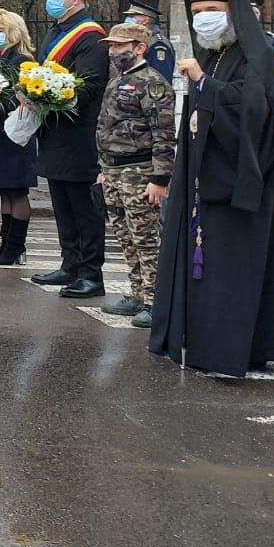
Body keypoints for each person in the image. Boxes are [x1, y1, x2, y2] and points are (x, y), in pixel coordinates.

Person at [150, 0, 274, 377]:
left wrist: (203, 83)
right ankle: (200, 342)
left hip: (242, 184)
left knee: (234, 272)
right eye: (197, 12)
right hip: (207, 178)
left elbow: (254, 110)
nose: (203, 19)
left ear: (233, 13)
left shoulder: (258, 55)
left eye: (212, 11)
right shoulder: (214, 53)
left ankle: (229, 352)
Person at [28, 0, 110, 300]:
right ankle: (70, 264)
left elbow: (89, 84)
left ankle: (91, 273)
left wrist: (47, 92)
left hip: (79, 135)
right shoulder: (56, 31)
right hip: (55, 132)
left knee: (84, 208)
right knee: (62, 203)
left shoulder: (90, 36)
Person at [94, 21, 176, 328]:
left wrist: (160, 179)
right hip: (114, 169)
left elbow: (164, 134)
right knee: (125, 236)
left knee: (146, 238)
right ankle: (137, 293)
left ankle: (156, 300)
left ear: (139, 48)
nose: (113, 51)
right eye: (111, 46)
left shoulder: (152, 83)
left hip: (139, 171)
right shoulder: (118, 79)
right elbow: (106, 125)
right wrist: (104, 167)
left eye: (119, 46)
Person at [0, 10, 40, 266]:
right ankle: (7, 243)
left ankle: (15, 246)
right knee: (5, 192)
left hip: (14, 136)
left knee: (16, 191)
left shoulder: (21, 61)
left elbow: (13, 99)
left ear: (13, 33)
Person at [121, 0, 175, 80]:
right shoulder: (141, 40)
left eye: (132, 16)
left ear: (145, 20)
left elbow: (160, 78)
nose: (128, 19)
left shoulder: (158, 44)